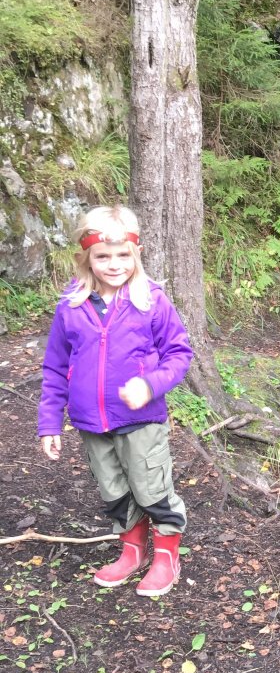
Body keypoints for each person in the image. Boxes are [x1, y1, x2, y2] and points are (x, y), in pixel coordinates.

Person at [37, 205, 193, 597]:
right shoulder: (71, 305)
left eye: (123, 254)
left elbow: (179, 354)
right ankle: (131, 551)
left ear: (136, 253)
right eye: (103, 256)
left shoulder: (151, 300)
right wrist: (49, 422)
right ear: (86, 257)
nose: (114, 264)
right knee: (114, 491)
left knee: (151, 488)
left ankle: (166, 556)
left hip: (142, 420)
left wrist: (150, 385)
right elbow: (55, 366)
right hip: (91, 422)